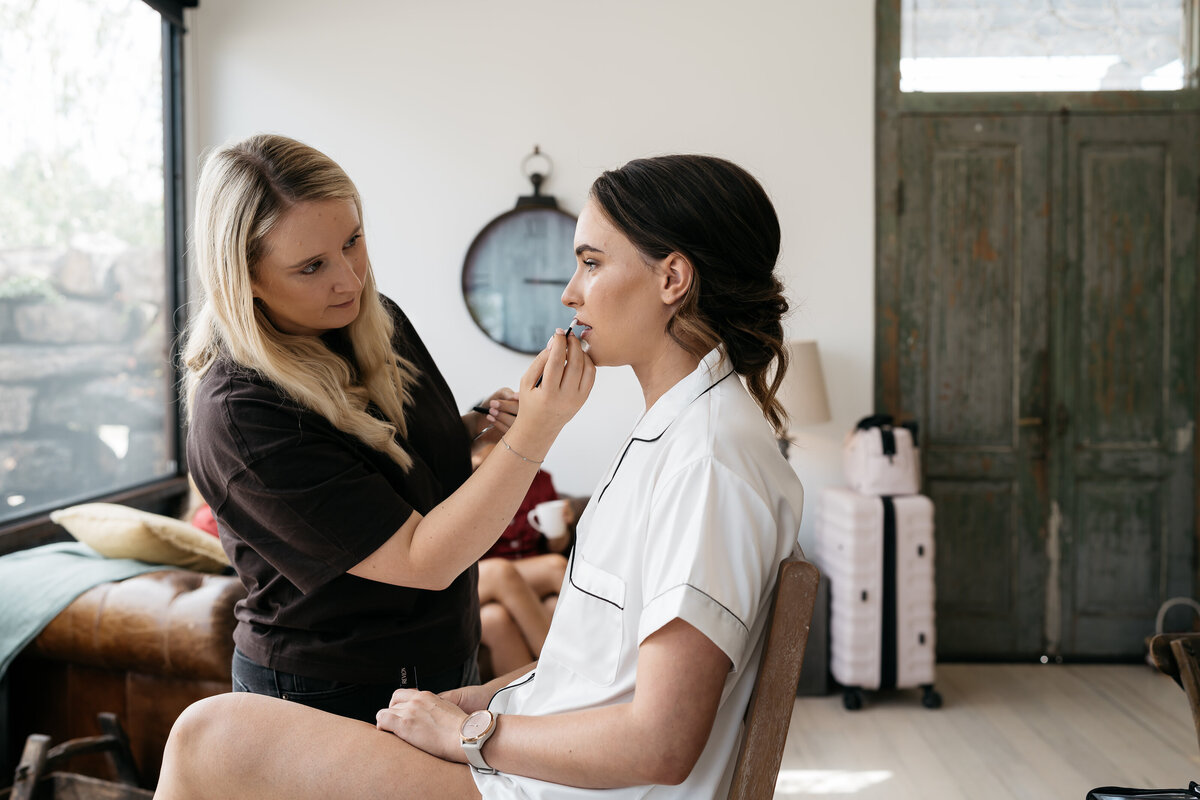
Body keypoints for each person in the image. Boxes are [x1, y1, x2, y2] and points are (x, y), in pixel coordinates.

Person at [157, 153, 805, 799]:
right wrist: (486, 704)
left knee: (205, 735)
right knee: (212, 736)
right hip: (349, 680)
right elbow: (595, 672)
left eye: (590, 262)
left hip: (540, 783)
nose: (568, 293)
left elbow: (660, 741)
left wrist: (474, 728)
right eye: (311, 266)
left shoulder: (705, 462)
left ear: (672, 278)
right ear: (248, 281)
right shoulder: (685, 435)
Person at [180, 133, 593, 725]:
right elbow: (421, 560)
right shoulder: (242, 412)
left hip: (443, 658)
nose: (349, 279)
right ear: (243, 279)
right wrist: (539, 430)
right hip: (325, 692)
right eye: (312, 267)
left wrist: (475, 429)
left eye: (352, 241)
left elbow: (388, 467)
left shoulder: (377, 321)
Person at [471, 441, 572, 677]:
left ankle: (533, 702)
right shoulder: (472, 479)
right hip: (486, 575)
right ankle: (562, 672)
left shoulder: (540, 479)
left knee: (497, 618)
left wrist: (562, 529)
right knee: (543, 567)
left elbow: (556, 545)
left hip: (526, 575)